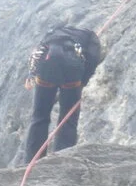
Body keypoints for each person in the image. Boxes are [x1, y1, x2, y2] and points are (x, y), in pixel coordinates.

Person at [24, 25, 103, 161]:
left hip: (46, 70)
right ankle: (62, 158)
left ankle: (31, 160)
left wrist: (32, 74)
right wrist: (82, 82)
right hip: (71, 71)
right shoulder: (90, 36)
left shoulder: (52, 33)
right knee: (68, 117)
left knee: (39, 116)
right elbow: (92, 58)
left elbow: (38, 53)